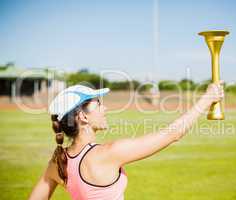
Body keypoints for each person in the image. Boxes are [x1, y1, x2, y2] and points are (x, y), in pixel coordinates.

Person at [28, 82, 224, 200]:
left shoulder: (57, 161)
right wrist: (206, 99)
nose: (105, 109)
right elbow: (171, 134)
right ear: (83, 117)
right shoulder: (109, 153)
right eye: (98, 104)